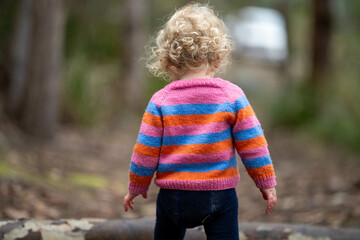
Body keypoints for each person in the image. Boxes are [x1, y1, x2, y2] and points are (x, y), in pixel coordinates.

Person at [123, 3, 277, 240]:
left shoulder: (161, 100)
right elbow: (252, 144)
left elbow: (145, 151)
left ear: (168, 60)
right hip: (219, 195)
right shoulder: (232, 96)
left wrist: (137, 186)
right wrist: (265, 182)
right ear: (217, 56)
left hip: (173, 195)